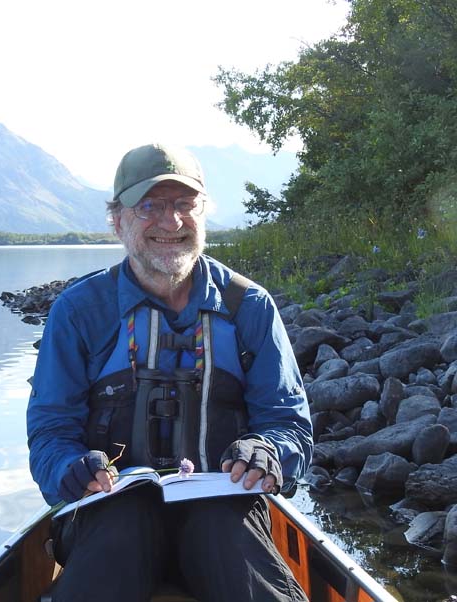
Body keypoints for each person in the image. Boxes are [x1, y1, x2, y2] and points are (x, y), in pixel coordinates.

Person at [26, 143, 313, 602]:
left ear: (203, 213)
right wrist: (69, 469)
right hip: (108, 515)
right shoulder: (79, 312)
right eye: (150, 207)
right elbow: (49, 432)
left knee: (220, 531)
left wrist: (268, 451)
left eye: (184, 204)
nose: (171, 221)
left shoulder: (249, 307)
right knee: (124, 527)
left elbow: (290, 425)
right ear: (117, 220)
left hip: (224, 511)